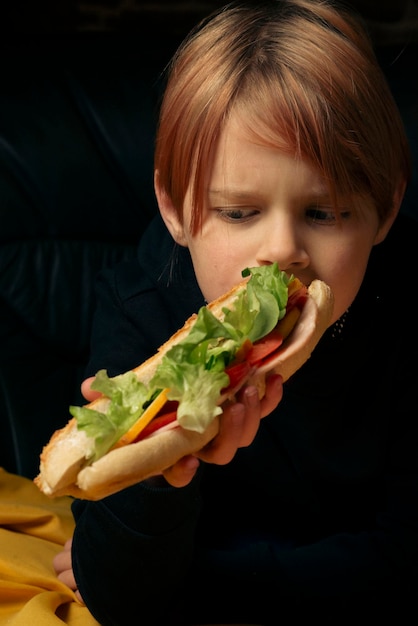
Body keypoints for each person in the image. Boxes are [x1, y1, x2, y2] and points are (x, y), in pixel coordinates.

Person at [53, 0, 418, 623]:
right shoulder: (142, 309)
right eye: (239, 213)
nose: (281, 250)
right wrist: (159, 476)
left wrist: (209, 583)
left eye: (325, 213)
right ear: (174, 210)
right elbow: (117, 594)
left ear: (385, 212)